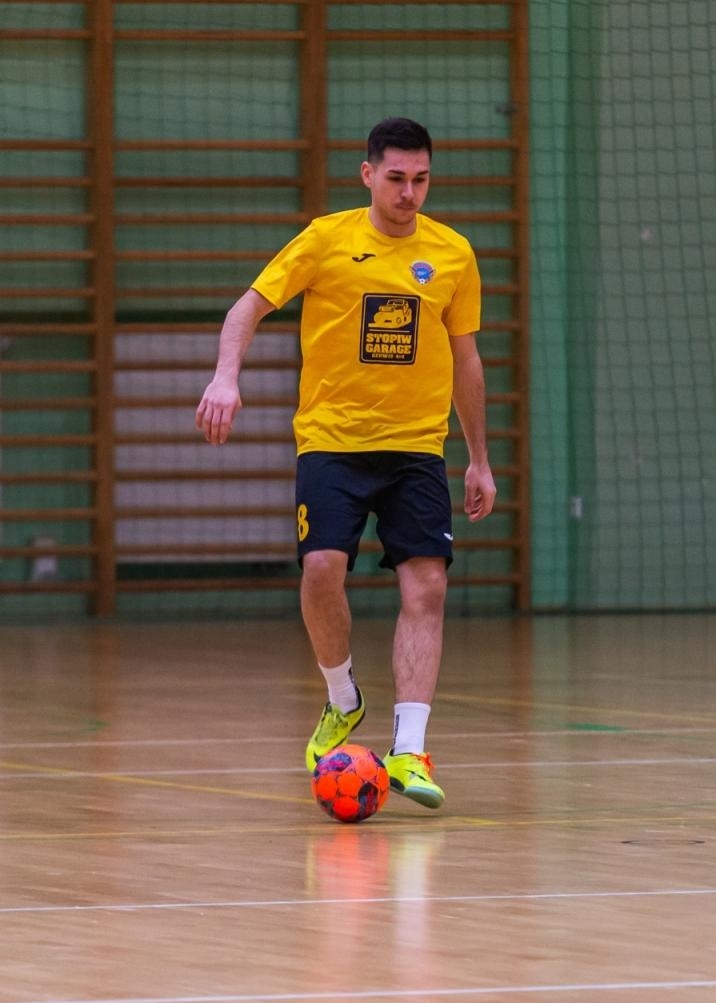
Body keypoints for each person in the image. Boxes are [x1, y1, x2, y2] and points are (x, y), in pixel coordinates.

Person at [195, 117, 496, 809]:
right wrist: (224, 376)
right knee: (322, 569)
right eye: (396, 179)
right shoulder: (327, 239)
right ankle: (342, 696)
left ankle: (411, 751)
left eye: (421, 180)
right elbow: (248, 306)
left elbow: (467, 359)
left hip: (417, 445)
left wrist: (479, 457)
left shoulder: (452, 254)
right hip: (332, 439)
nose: (409, 194)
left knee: (428, 588)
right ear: (368, 175)